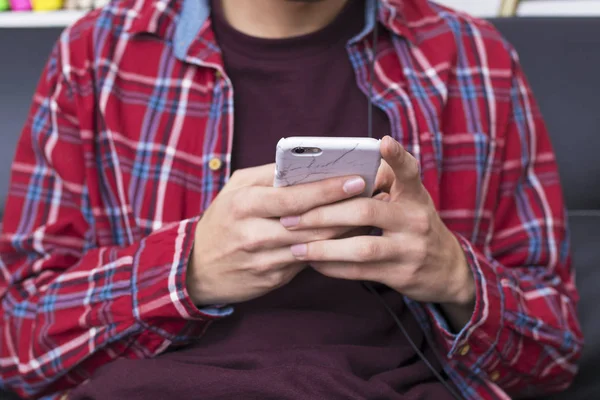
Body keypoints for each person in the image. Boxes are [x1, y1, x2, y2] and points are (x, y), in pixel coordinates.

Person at [0, 0, 584, 399]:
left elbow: (555, 354)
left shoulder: (474, 58)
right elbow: (18, 345)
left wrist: (456, 277)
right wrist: (187, 271)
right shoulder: (96, 56)